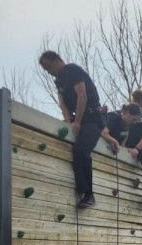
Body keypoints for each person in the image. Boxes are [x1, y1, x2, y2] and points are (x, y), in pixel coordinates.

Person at [38, 50, 106, 210]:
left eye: (49, 68)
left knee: (82, 152)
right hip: (79, 118)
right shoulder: (58, 81)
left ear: (57, 60)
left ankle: (89, 195)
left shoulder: (72, 70)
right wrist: (68, 121)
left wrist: (77, 122)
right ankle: (81, 190)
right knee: (76, 153)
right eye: (46, 71)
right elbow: (62, 103)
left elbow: (82, 96)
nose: (50, 72)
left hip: (93, 118)